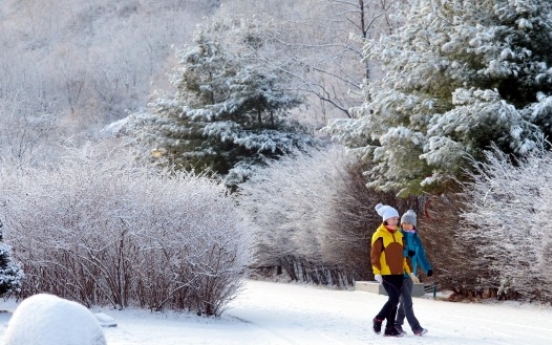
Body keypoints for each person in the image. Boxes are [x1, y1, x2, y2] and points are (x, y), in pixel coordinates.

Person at [371, 203, 418, 337]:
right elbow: (375, 255)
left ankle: (390, 328)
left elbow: (404, 257)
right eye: (394, 219)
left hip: (399, 274)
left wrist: (410, 273)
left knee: (395, 301)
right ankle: (379, 318)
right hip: (386, 274)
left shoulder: (399, 235)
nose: (396, 221)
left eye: (397, 219)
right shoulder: (379, 235)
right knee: (393, 299)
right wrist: (377, 272)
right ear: (386, 219)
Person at [394, 210, 433, 336]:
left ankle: (396, 325)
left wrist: (427, 269)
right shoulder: (398, 235)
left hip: (411, 274)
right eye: (404, 222)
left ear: (413, 225)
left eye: (409, 223)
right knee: (407, 301)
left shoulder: (416, 239)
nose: (406, 225)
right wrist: (406, 253)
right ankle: (416, 328)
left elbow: (421, 256)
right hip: (398, 273)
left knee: (404, 302)